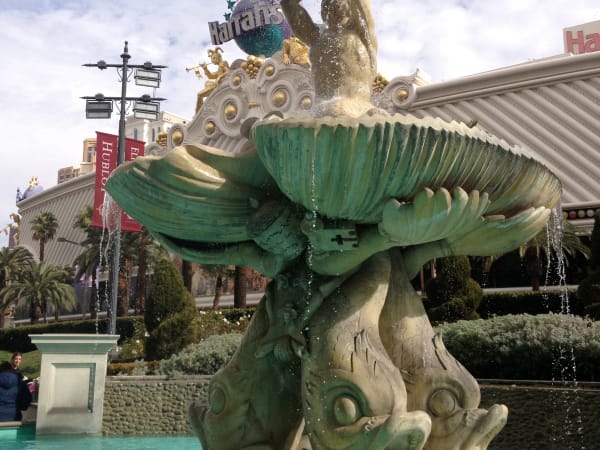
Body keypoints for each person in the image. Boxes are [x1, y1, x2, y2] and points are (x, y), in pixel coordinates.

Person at [280, 0, 378, 117]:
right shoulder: (317, 37)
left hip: (358, 109)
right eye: (328, 5)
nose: (332, 8)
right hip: (321, 111)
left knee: (338, 108)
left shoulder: (361, 33)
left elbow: (364, 9)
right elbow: (288, 4)